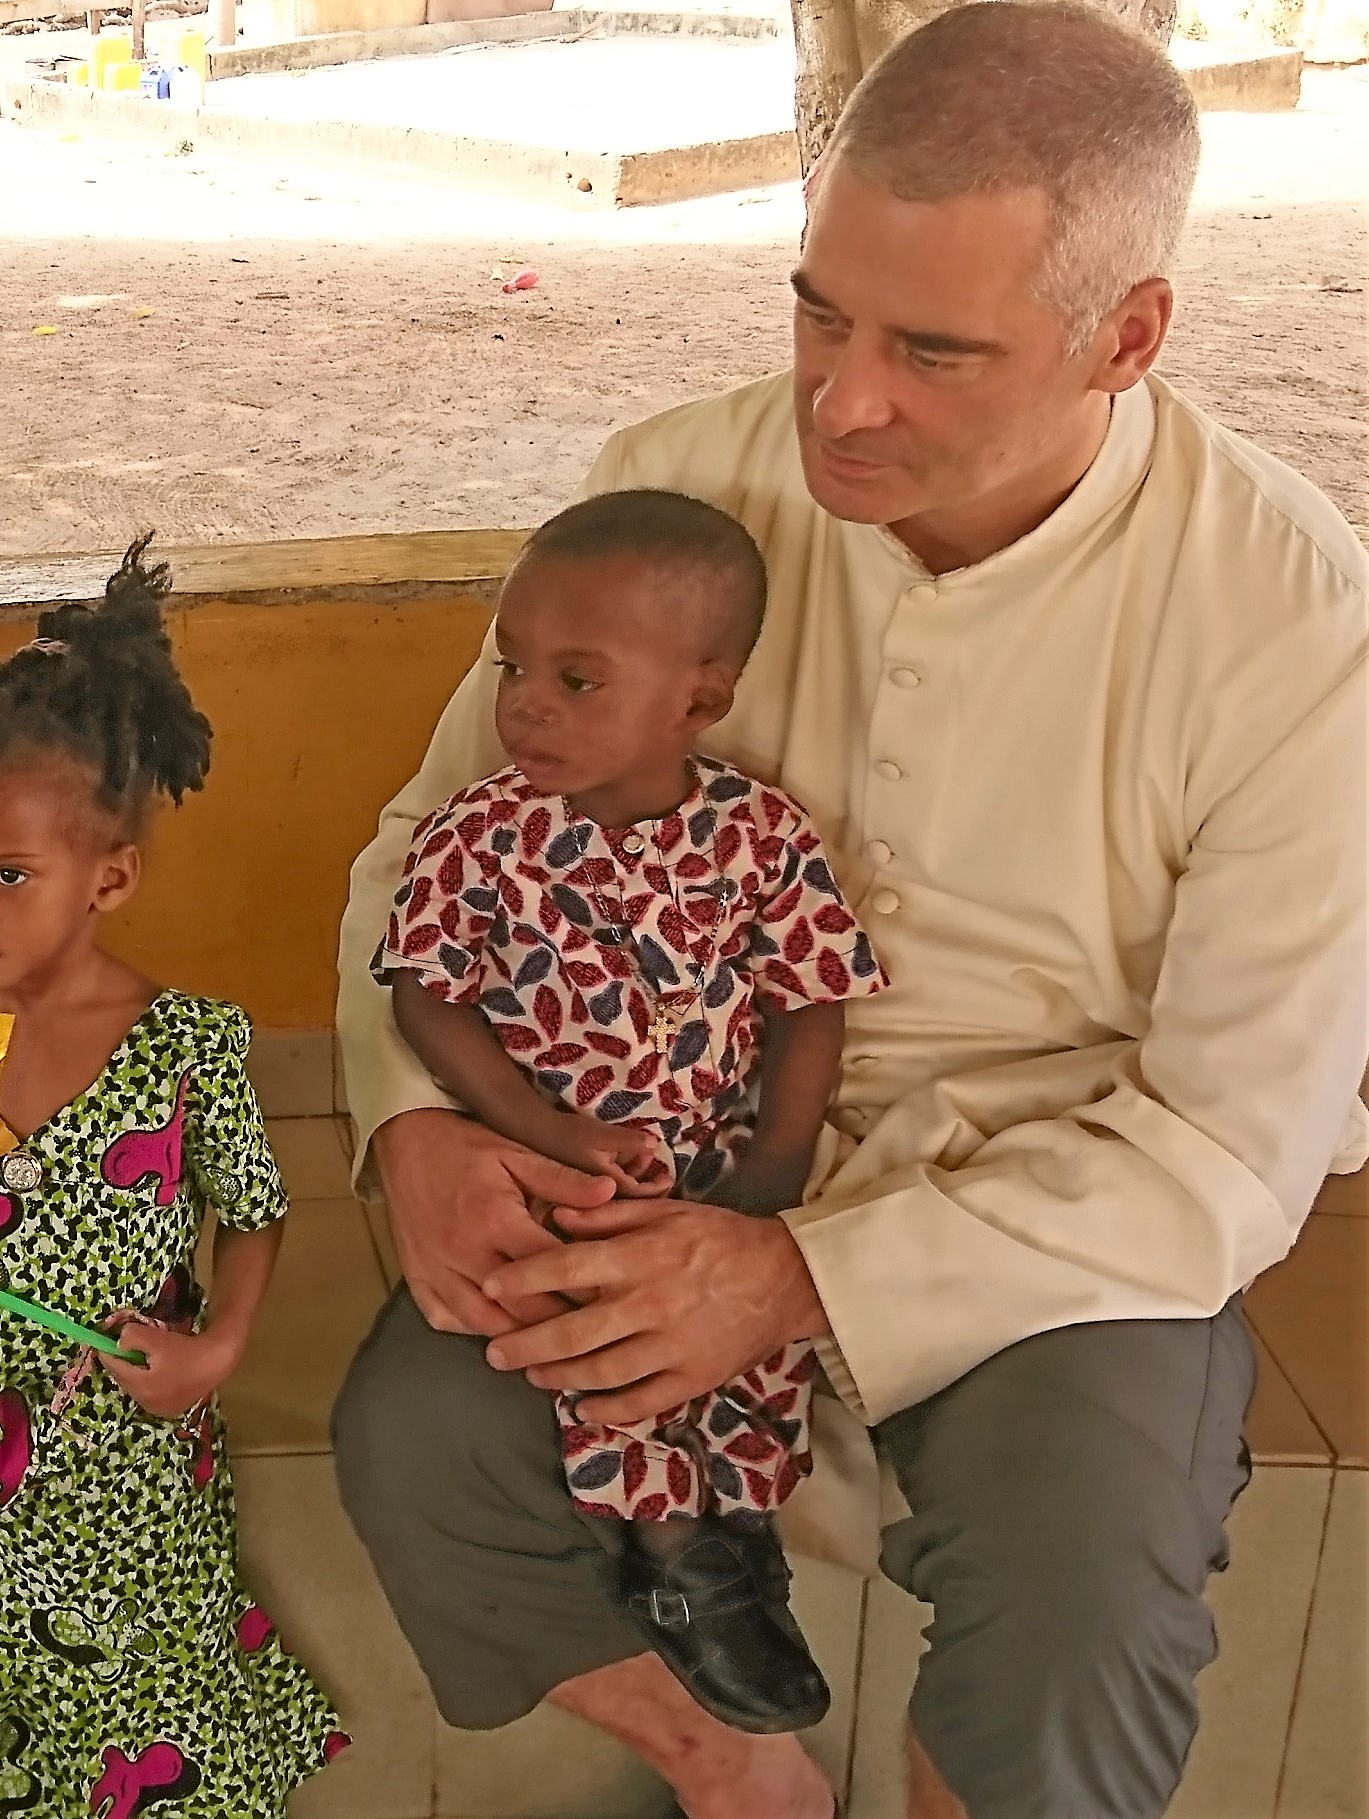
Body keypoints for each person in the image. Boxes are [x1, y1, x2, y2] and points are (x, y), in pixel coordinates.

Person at [329, 7, 1368, 1818]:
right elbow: (428, 836)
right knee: (417, 1433)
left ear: (1123, 335)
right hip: (644, 1144)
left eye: (933, 349)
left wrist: (800, 1268)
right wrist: (414, 1119)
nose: (841, 398)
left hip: (1051, 1210)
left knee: (1079, 1596)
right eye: (818, 310)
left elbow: (1222, 1146)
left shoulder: (1290, 621)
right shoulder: (679, 492)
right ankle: (735, 1771)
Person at [0, 539, 348, 1819]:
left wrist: (216, 1351)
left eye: (9, 875)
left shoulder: (186, 1048)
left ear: (108, 877)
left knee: (141, 1671)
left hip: (126, 1437)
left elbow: (259, 1216)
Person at [377, 489, 883, 1735]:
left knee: (744, 1354)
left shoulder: (760, 837)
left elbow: (812, 995)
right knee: (601, 1349)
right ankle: (677, 1563)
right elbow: (428, 1002)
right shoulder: (479, 839)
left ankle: (735, 1538)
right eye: (515, 668)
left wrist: (777, 1155)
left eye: (578, 679)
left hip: (718, 1173)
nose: (527, 704)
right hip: (565, 1183)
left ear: (699, 701)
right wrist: (543, 1134)